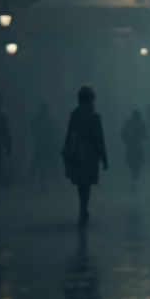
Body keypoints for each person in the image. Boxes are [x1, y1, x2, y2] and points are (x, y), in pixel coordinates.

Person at [62, 86, 108, 225]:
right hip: (90, 153)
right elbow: (100, 139)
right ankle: (83, 207)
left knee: (81, 183)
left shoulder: (75, 115)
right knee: (86, 183)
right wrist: (104, 158)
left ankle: (82, 207)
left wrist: (67, 150)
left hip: (77, 152)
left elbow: (69, 134)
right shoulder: (94, 116)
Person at [30, 101, 58, 186]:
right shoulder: (45, 119)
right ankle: (36, 178)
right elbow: (33, 127)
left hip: (44, 144)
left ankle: (40, 179)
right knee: (39, 162)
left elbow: (52, 131)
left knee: (41, 162)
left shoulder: (44, 119)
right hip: (42, 143)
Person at [121, 108, 146, 184]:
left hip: (131, 147)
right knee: (136, 166)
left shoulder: (129, 123)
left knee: (133, 165)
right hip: (136, 147)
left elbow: (123, 134)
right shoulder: (140, 123)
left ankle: (134, 181)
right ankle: (135, 181)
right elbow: (146, 135)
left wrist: (127, 141)